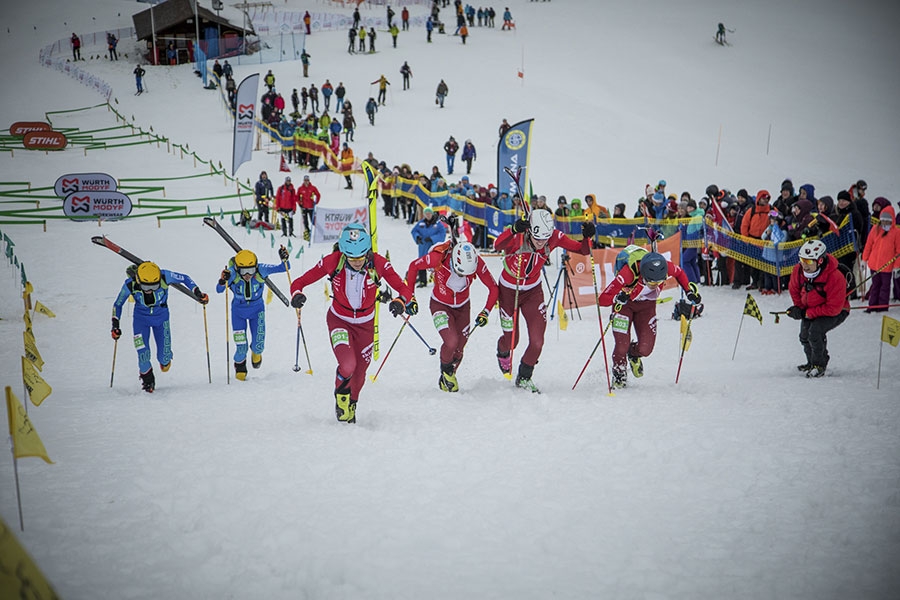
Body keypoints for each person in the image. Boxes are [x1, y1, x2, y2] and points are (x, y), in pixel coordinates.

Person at [289, 223, 416, 423]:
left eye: (361, 256)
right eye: (352, 257)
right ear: (343, 252)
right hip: (339, 320)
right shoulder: (333, 261)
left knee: (360, 373)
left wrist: (400, 301)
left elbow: (404, 287)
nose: (357, 262)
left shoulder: (379, 263)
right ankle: (340, 395)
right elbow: (301, 281)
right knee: (348, 365)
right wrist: (297, 294)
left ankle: (352, 403)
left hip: (365, 325)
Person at [494, 209, 596, 391]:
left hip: (533, 292)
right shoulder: (519, 235)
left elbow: (582, 250)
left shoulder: (555, 236)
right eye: (537, 238)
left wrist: (588, 237)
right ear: (530, 231)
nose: (541, 243)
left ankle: (525, 376)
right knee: (511, 341)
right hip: (509, 291)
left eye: (545, 239)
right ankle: (502, 352)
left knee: (537, 341)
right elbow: (497, 245)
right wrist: (513, 230)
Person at [598, 248, 700, 389]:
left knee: (646, 349)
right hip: (625, 306)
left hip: (646, 307)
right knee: (622, 345)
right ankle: (619, 374)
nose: (655, 286)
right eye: (651, 283)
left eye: (659, 282)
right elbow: (602, 300)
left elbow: (680, 273)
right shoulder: (628, 273)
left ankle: (633, 354)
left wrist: (689, 291)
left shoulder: (665, 266)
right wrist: (617, 297)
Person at [406, 239, 499, 391]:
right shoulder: (439, 258)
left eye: (467, 274)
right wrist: (411, 297)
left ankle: (448, 376)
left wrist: (486, 311)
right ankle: (446, 373)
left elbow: (493, 288)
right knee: (451, 341)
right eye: (460, 272)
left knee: (459, 348)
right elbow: (413, 266)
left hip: (463, 307)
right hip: (439, 304)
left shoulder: (476, 262)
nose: (463, 276)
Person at [111, 261, 207, 393]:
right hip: (141, 320)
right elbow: (118, 304)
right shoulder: (130, 284)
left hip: (161, 318)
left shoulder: (164, 276)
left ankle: (165, 360)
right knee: (143, 355)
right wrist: (115, 325)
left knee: (165, 358)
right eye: (145, 287)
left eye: (154, 286)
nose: (150, 290)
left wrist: (197, 291)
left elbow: (185, 278)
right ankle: (147, 381)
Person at [217, 248, 289, 380]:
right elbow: (219, 290)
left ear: (255, 266)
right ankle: (240, 366)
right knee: (241, 347)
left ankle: (256, 353)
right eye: (244, 271)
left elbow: (284, 268)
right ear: (237, 268)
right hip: (238, 312)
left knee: (259, 344)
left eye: (251, 270)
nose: (247, 275)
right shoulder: (232, 273)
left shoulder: (261, 270)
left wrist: (284, 258)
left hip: (257, 310)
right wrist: (222, 281)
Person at [786, 239, 850, 377]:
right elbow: (794, 289)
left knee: (814, 332)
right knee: (804, 336)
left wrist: (807, 313)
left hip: (836, 311)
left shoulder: (835, 277)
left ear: (820, 261)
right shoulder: (798, 271)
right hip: (811, 309)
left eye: (809, 261)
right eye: (802, 260)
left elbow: (834, 308)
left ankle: (819, 365)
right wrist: (799, 309)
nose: (804, 265)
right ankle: (811, 362)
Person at [861, 204, 900, 312]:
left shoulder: (896, 232)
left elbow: (898, 251)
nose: (885, 223)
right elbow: (868, 245)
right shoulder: (875, 229)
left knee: (885, 287)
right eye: (883, 220)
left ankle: (882, 307)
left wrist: (897, 266)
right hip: (874, 265)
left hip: (887, 266)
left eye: (888, 221)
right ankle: (872, 306)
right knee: (875, 286)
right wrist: (864, 259)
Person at [410, 206, 447, 287]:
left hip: (433, 248)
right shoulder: (421, 223)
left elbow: (442, 234)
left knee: (435, 264)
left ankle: (438, 281)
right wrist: (417, 237)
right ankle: (423, 281)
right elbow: (414, 231)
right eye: (426, 214)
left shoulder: (438, 224)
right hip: (423, 246)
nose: (428, 215)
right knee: (421, 262)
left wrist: (432, 239)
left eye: (429, 213)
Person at [296, 174, 321, 239]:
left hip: (311, 207)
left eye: (307, 180)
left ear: (309, 181)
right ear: (303, 181)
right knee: (305, 221)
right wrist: (299, 203)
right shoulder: (300, 188)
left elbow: (318, 195)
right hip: (304, 207)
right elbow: (297, 197)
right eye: (305, 180)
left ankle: (319, 231)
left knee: (313, 221)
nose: (306, 182)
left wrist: (316, 202)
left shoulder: (312, 188)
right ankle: (307, 232)